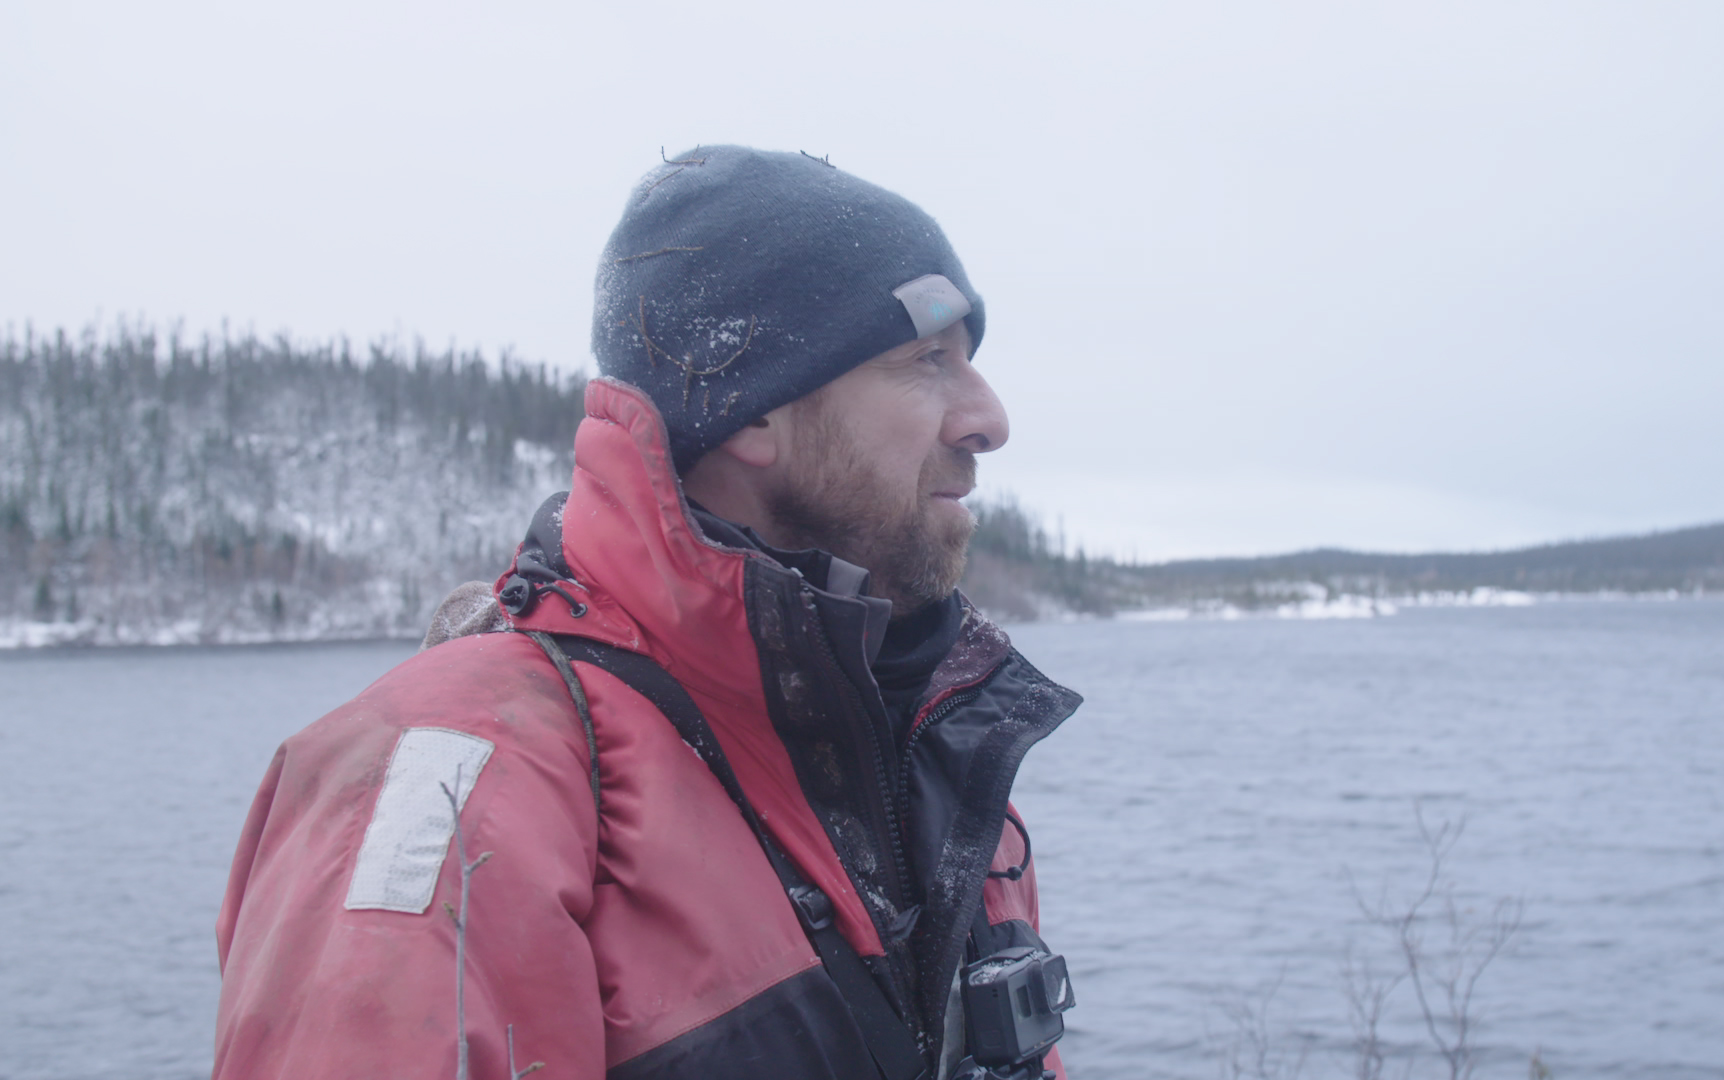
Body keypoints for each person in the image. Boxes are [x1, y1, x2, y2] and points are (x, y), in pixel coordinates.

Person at [212, 146, 1082, 1080]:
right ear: (751, 408)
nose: (987, 417)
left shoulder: (931, 746)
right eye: (927, 361)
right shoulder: (453, 779)